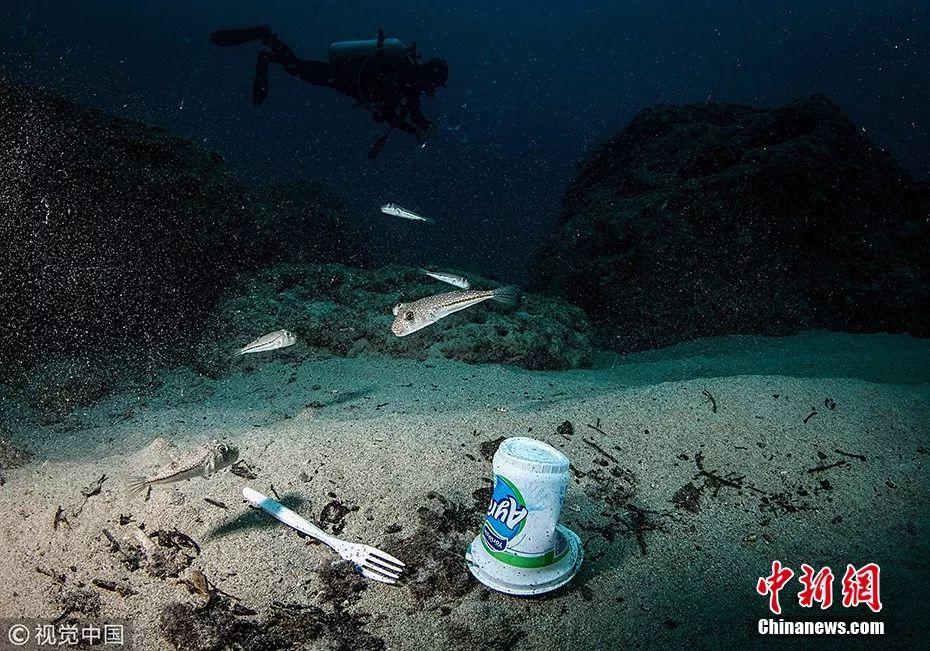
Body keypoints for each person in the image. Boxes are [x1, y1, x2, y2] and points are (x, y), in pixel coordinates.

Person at [210, 25, 448, 157]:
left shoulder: (409, 81)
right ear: (429, 76)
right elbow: (390, 115)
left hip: (343, 80)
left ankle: (268, 49)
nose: (433, 89)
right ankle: (266, 39)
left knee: (297, 68)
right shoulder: (404, 78)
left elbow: (412, 114)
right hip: (341, 75)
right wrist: (415, 130)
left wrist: (423, 126)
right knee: (297, 68)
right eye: (435, 84)